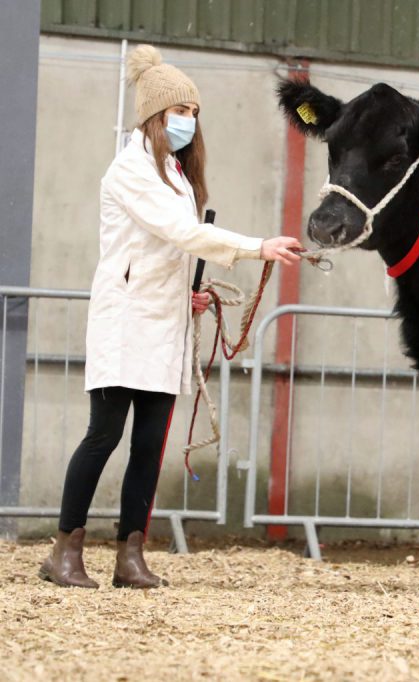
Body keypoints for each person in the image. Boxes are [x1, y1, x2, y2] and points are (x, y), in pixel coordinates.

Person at [39, 44, 302, 589]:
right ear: (156, 116)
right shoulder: (130, 171)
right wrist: (258, 246)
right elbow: (182, 233)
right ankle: (64, 551)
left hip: (164, 325)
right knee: (102, 437)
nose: (190, 121)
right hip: (126, 323)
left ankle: (130, 554)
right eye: (181, 112)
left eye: (193, 113)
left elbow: (166, 252)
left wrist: (190, 293)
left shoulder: (176, 176)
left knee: (149, 443)